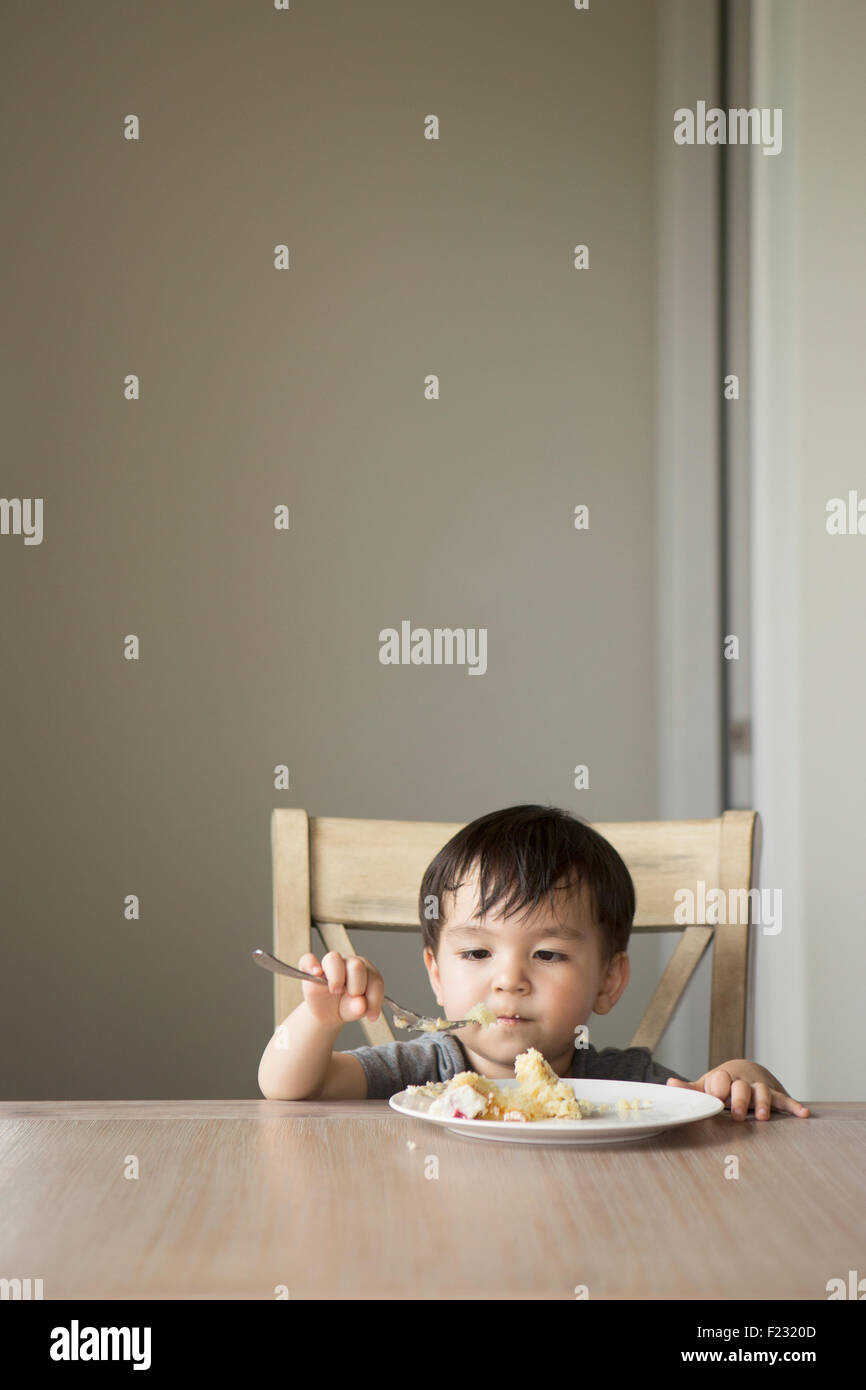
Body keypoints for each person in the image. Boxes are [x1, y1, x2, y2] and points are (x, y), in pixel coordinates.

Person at [257, 804, 810, 1121]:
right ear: (436, 973)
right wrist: (318, 1019)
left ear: (609, 981)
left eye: (548, 954)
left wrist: (743, 1078)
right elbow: (289, 1087)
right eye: (476, 952)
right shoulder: (423, 1070)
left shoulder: (625, 1084)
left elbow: (709, 1104)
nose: (509, 980)